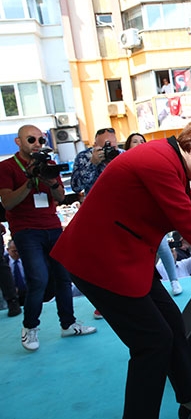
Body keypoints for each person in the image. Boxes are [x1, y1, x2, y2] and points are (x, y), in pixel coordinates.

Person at [50, 117, 191, 419]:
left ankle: (189, 400)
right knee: (152, 343)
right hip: (100, 262)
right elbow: (187, 220)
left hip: (126, 258)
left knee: (171, 321)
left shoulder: (169, 159)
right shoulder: (158, 162)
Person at [0, 124, 96, 351]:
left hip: (52, 226)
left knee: (63, 277)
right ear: (18, 141)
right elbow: (8, 203)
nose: (37, 144)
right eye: (31, 140)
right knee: (39, 279)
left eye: (41, 141)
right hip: (26, 231)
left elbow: (60, 196)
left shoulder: (50, 165)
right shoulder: (6, 167)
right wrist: (30, 179)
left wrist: (48, 180)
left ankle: (68, 323)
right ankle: (30, 327)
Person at [124, 133, 183, 296]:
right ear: (127, 147)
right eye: (134, 141)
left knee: (163, 247)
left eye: (142, 141)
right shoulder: (120, 164)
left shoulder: (150, 163)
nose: (139, 143)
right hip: (128, 219)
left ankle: (174, 281)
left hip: (149, 217)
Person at [70, 127, 123, 195]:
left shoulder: (123, 155)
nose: (110, 151)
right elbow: (76, 187)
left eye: (113, 147)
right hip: (97, 201)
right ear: (95, 146)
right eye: (106, 148)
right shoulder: (84, 157)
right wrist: (92, 164)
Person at [5, 239, 27, 307]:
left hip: (28, 292)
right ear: (8, 250)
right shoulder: (4, 263)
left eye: (19, 250)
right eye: (14, 251)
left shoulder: (27, 260)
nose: (17, 253)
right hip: (11, 296)